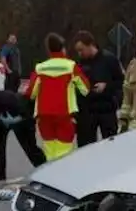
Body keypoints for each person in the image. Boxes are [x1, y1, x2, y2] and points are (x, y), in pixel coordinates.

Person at [25, 33, 90, 161]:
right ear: (63, 48)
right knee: (64, 153)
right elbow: (85, 89)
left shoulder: (40, 67)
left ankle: (50, 178)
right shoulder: (70, 66)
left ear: (48, 49)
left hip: (44, 116)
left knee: (50, 152)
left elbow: (31, 93)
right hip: (64, 115)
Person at [0, 89, 46, 182]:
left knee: (30, 147)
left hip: (21, 118)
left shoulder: (9, 99)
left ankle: (45, 169)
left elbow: (29, 109)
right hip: (1, 121)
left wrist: (23, 118)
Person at [72, 30, 124, 146]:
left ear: (91, 45)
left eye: (81, 50)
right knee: (85, 147)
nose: (80, 53)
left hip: (106, 109)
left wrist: (106, 86)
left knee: (111, 145)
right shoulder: (79, 65)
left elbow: (121, 82)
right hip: (87, 112)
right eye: (78, 51)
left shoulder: (109, 59)